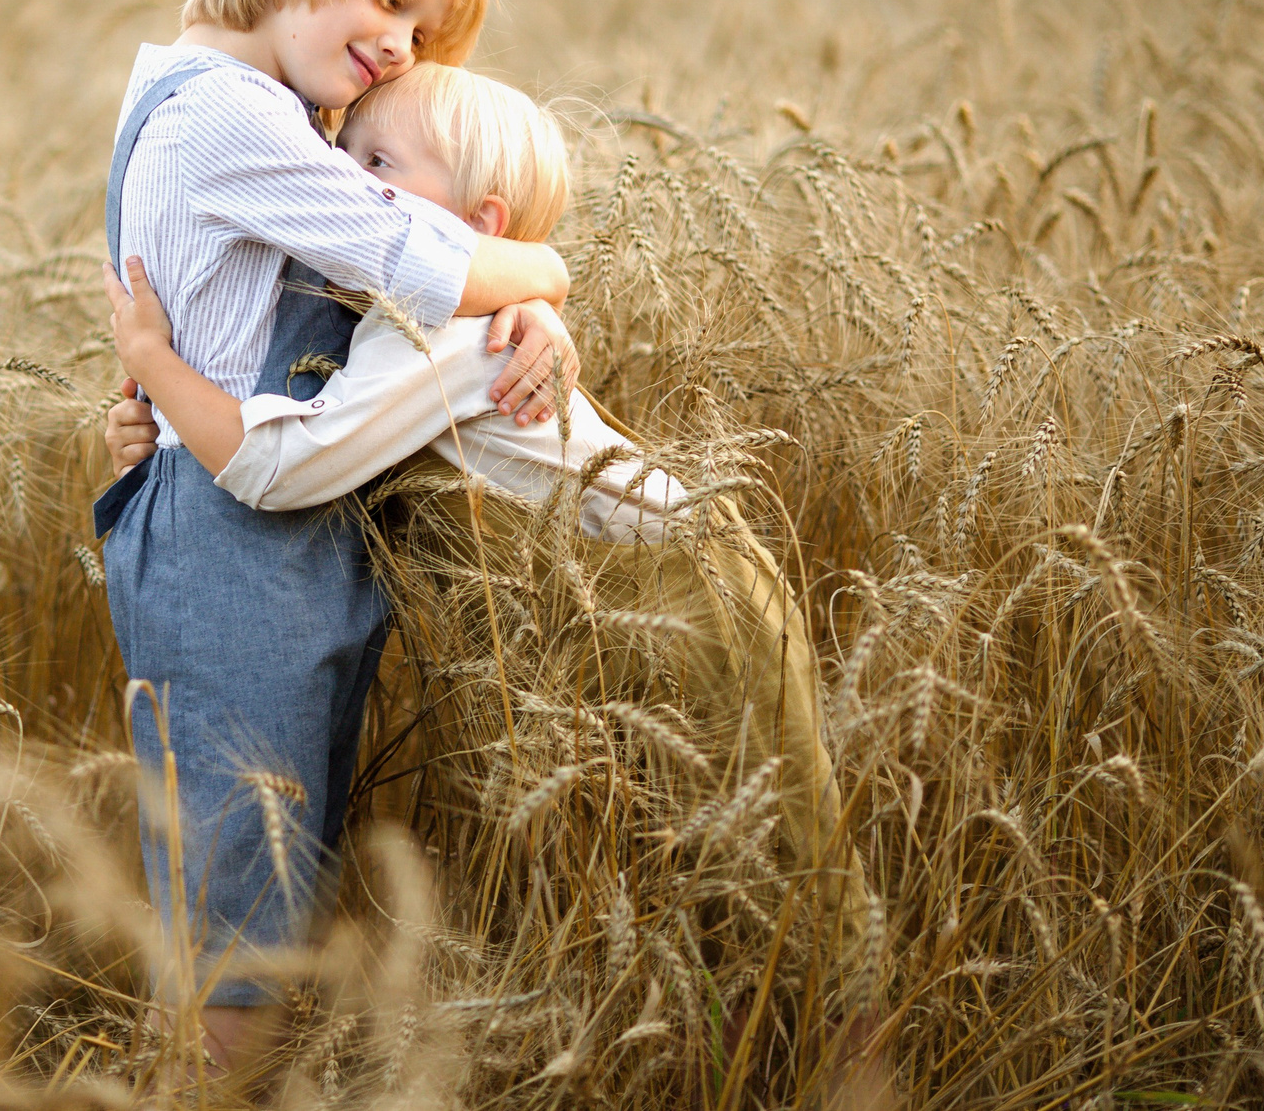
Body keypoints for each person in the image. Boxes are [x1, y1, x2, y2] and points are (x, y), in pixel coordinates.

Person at [102, 62, 867, 953]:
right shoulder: (413, 327)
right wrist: (159, 432)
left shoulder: (440, 338)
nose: (343, 183)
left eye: (376, 164)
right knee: (699, 853)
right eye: (339, 156)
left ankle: (849, 1028)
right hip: (647, 584)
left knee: (785, 862)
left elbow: (284, 466)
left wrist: (154, 362)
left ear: (478, 227)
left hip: (690, 593)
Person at [92, 0, 580, 1081]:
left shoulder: (224, 100)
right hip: (236, 543)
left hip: (278, 529)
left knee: (272, 868)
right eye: (391, 0)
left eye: (425, 30)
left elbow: (393, 256)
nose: (402, 46)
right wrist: (545, 274)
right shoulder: (228, 118)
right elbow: (431, 261)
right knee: (240, 902)